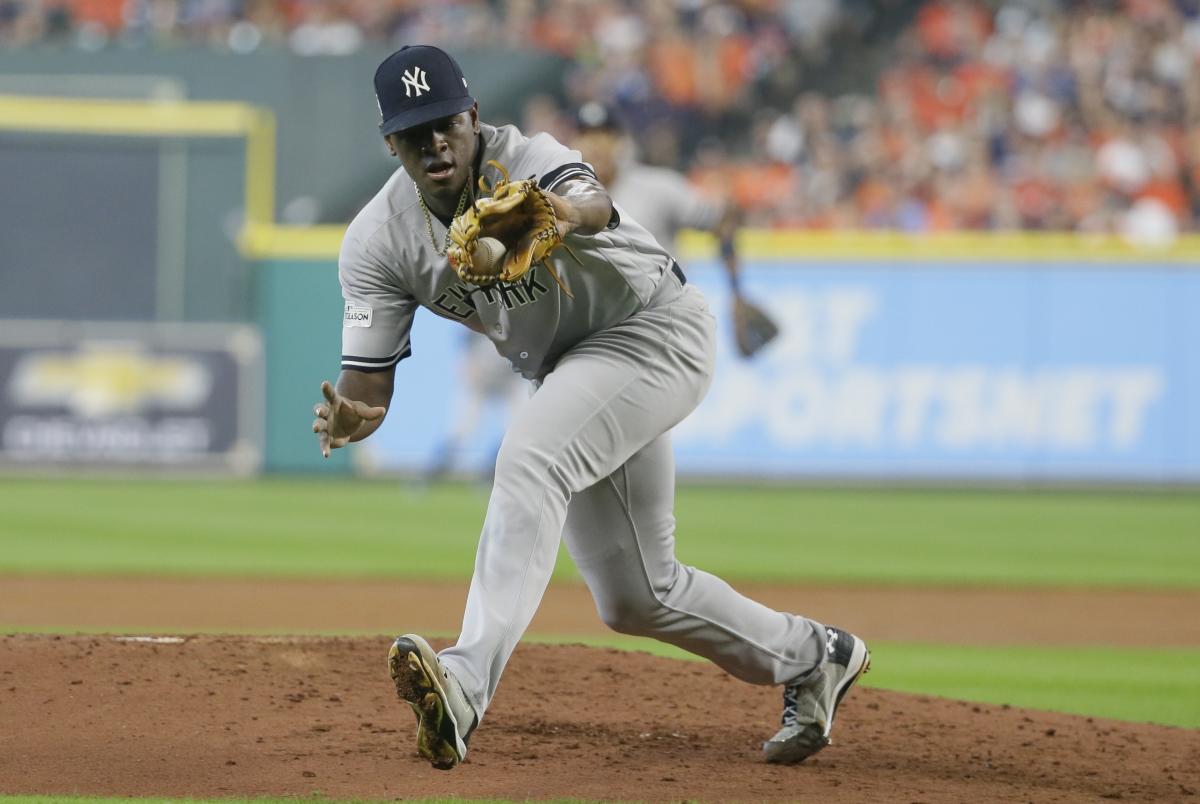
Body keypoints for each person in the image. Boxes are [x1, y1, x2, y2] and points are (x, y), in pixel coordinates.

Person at [311, 44, 869, 771]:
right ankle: (814, 656)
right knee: (636, 594)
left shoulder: (531, 158)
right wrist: (357, 414)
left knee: (530, 459)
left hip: (653, 329)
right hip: (573, 368)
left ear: (474, 117)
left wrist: (557, 212)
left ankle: (465, 682)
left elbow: (596, 201)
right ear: (391, 143)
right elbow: (366, 386)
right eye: (416, 132)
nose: (436, 141)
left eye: (447, 122)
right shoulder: (377, 241)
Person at [572, 101, 778, 359]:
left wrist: (736, 292)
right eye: (586, 135)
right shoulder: (562, 200)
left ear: (620, 141)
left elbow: (722, 221)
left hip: (662, 328)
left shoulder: (657, 187)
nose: (596, 144)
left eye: (605, 134)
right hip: (594, 338)